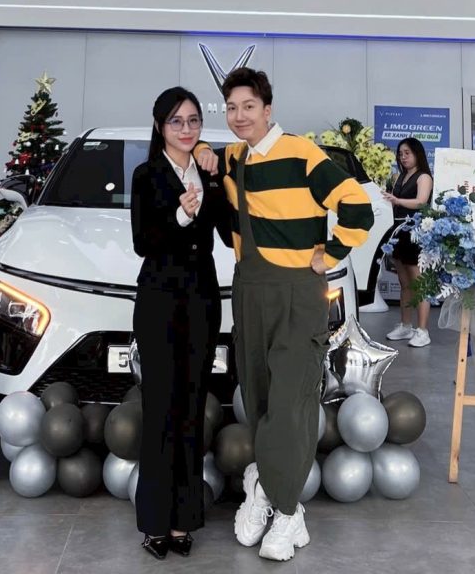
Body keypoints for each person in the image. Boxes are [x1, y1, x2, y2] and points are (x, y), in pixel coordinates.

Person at [198, 67, 374, 562]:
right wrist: (202, 150)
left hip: (298, 294)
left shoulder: (302, 154)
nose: (239, 116)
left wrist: (329, 254)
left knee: (290, 405)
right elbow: (201, 156)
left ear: (268, 109)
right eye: (231, 108)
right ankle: (264, 486)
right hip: (249, 291)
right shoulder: (233, 158)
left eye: (249, 107)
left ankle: (287, 509)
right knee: (258, 399)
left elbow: (358, 206)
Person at [130, 86, 231, 561]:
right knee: (160, 409)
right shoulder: (146, 174)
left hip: (201, 302)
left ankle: (183, 519)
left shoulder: (209, 171)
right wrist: (180, 213)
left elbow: (229, 232)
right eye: (176, 121)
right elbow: (143, 241)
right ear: (160, 127)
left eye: (193, 120)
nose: (186, 129)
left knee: (192, 406)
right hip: (158, 303)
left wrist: (219, 178)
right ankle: (154, 520)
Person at [382, 137, 434, 347]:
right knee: (404, 283)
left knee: (418, 284)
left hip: (415, 234)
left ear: (417, 154)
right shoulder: (400, 176)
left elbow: (421, 202)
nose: (403, 157)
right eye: (400, 153)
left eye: (407, 153)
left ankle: (422, 330)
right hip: (398, 233)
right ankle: (405, 325)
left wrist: (397, 200)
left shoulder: (424, 177)